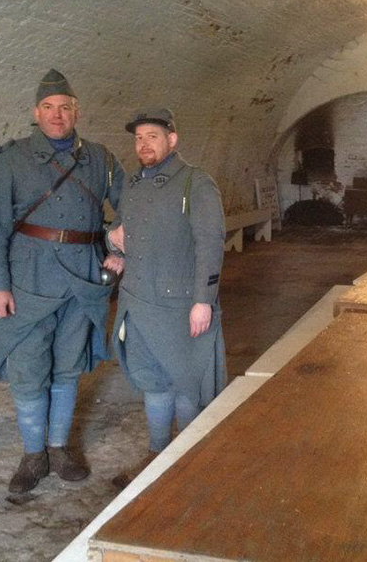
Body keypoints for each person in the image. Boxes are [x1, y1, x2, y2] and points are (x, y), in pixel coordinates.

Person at [0, 69, 125, 494]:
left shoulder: (100, 159)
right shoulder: (11, 160)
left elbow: (133, 204)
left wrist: (119, 250)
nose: (57, 115)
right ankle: (33, 454)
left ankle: (58, 448)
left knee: (67, 365)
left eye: (64, 107)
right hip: (28, 276)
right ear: (35, 113)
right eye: (48, 108)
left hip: (83, 275)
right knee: (28, 368)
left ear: (77, 111)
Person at [106, 107, 226, 488]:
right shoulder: (133, 185)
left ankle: (187, 462)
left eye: (153, 137)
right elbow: (124, 228)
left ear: (172, 140)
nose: (144, 144)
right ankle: (157, 455)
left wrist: (203, 300)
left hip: (180, 306)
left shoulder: (196, 183)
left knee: (185, 382)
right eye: (139, 138)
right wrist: (114, 240)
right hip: (137, 303)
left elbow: (211, 243)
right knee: (153, 381)